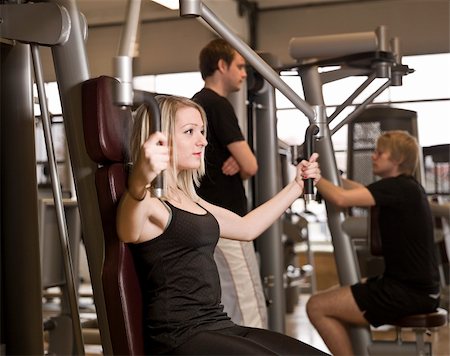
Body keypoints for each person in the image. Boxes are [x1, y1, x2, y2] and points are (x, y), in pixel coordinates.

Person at [116, 95, 325, 355]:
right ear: (159, 139)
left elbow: (246, 228)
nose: (202, 141)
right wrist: (139, 180)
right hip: (179, 335)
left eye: (202, 131)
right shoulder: (149, 201)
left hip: (217, 324)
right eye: (189, 131)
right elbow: (127, 229)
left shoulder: (189, 199)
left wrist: (295, 187)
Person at [306, 130, 440, 356]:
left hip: (407, 292)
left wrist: (315, 178)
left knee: (316, 306)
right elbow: (358, 191)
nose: (373, 156)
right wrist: (333, 177)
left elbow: (341, 198)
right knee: (334, 295)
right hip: (414, 288)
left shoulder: (397, 187)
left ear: (396, 160)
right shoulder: (406, 187)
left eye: (380, 153)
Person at [192, 38, 267, 327]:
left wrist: (238, 160)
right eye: (239, 66)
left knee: (227, 302)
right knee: (247, 303)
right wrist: (243, 162)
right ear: (221, 66)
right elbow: (250, 165)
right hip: (230, 221)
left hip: (207, 219)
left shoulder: (195, 103)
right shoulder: (218, 105)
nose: (245, 73)